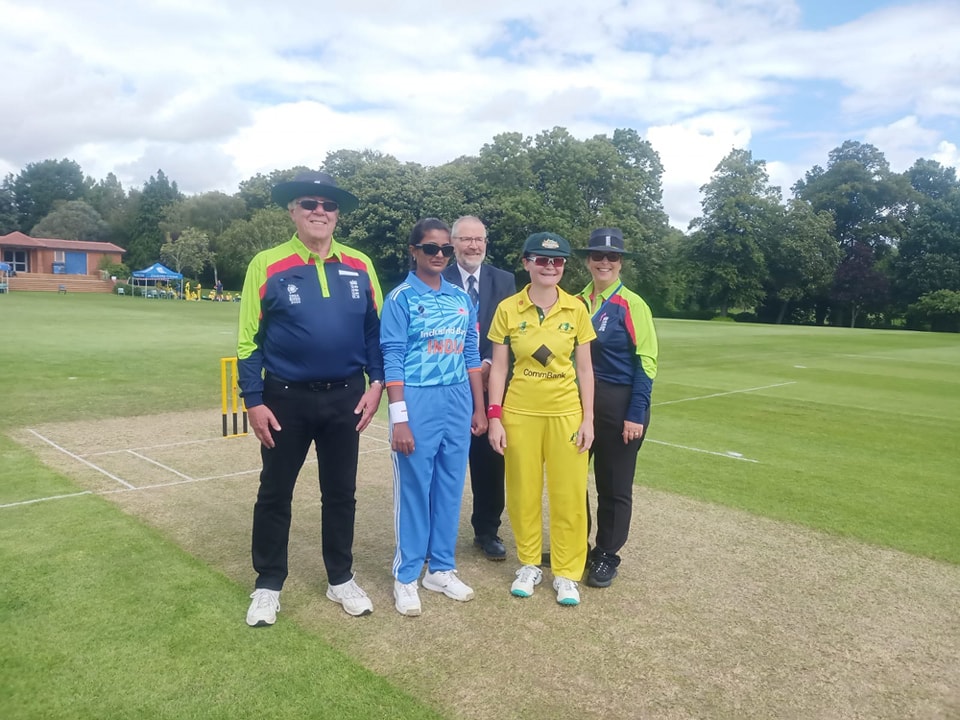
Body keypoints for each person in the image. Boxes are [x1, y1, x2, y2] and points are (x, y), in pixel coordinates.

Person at [236, 170, 385, 627]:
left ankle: (340, 577)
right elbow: (248, 340)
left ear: (338, 215)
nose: (320, 212)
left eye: (329, 206)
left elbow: (375, 332)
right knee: (275, 492)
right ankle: (268, 583)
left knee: (341, 492)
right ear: (292, 211)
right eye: (309, 204)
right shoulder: (267, 263)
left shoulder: (360, 263)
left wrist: (376, 383)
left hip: (346, 397)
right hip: (284, 400)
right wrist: (253, 399)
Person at [380, 218, 487, 616]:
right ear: (414, 251)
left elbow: (471, 354)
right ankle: (407, 575)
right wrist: (400, 418)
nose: (439, 255)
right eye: (431, 248)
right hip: (417, 399)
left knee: (449, 486)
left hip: (457, 399)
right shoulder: (402, 298)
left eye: (445, 249)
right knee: (414, 487)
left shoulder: (462, 298)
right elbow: (391, 357)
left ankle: (440, 568)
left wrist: (478, 407)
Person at [486, 232, 596, 606]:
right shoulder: (508, 308)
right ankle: (529, 563)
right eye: (542, 260)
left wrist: (589, 419)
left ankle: (567, 573)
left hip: (566, 414)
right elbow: (499, 369)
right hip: (519, 414)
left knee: (568, 495)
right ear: (526, 263)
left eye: (558, 261)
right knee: (523, 493)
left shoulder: (576, 309)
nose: (551, 267)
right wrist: (495, 417)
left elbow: (585, 370)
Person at [575, 228, 659, 588]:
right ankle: (574, 547)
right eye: (597, 256)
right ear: (588, 261)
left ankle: (606, 554)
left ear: (620, 262)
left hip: (620, 402)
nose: (604, 262)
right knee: (572, 481)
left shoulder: (633, 304)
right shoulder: (574, 301)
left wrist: (636, 413)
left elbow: (647, 361)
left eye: (611, 257)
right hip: (578, 404)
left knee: (614, 485)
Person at [442, 216, 517, 561]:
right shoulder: (437, 277)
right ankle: (434, 533)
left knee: (490, 462)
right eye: (466, 240)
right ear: (453, 243)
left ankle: (487, 531)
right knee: (443, 461)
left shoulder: (504, 280)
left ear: (486, 243)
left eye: (479, 240)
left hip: (492, 386)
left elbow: (513, 332)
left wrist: (487, 365)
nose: (473, 246)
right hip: (447, 386)